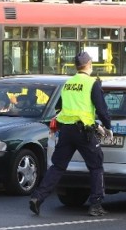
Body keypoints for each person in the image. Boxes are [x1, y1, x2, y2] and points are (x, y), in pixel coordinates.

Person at [29, 51, 113, 217]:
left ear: (76, 66)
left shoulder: (68, 83)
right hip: (84, 132)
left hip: (66, 130)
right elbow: (102, 109)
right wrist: (108, 126)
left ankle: (37, 198)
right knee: (96, 166)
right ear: (89, 65)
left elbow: (60, 107)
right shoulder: (92, 83)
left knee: (58, 166)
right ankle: (95, 205)